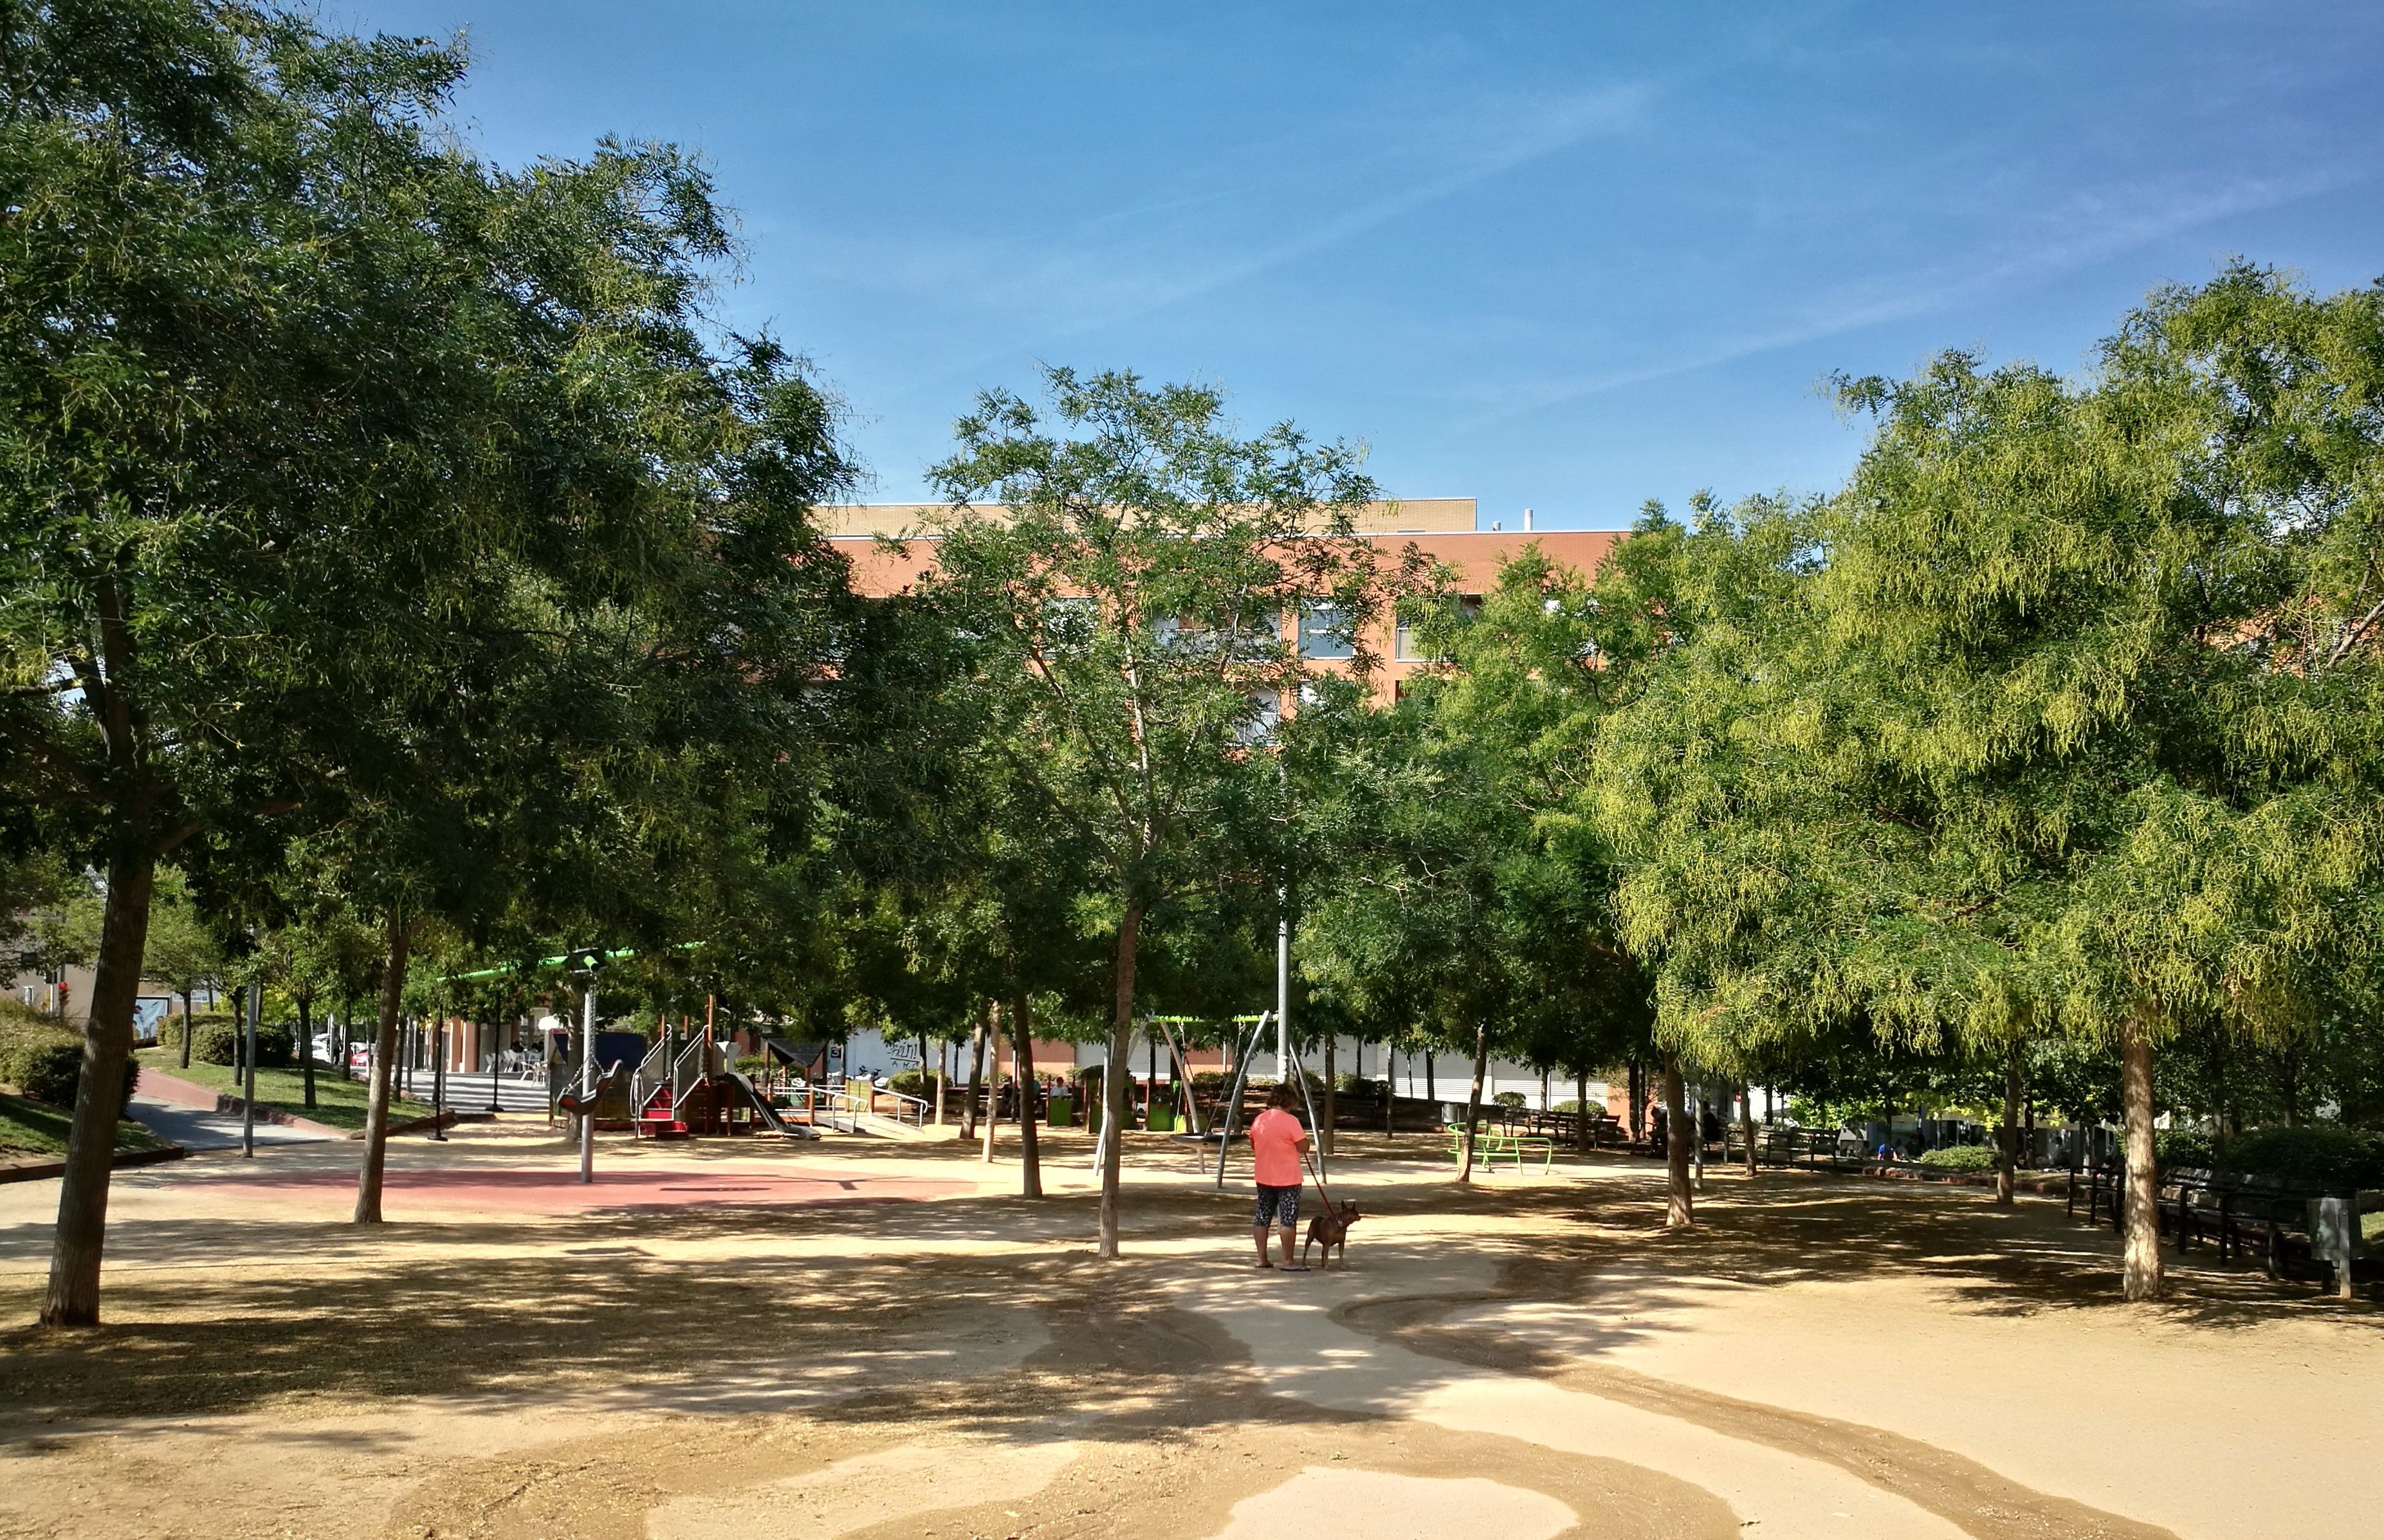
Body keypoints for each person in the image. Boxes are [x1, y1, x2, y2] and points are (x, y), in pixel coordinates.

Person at [1248, 1084, 1312, 1271]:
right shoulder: (1291, 1121)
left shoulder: (1259, 1120)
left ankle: (1262, 1258)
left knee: (1262, 1216)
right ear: (1290, 1101)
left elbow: (1253, 1144)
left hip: (1264, 1175)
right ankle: (1288, 1261)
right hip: (1288, 1178)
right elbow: (1303, 1147)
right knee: (1287, 1219)